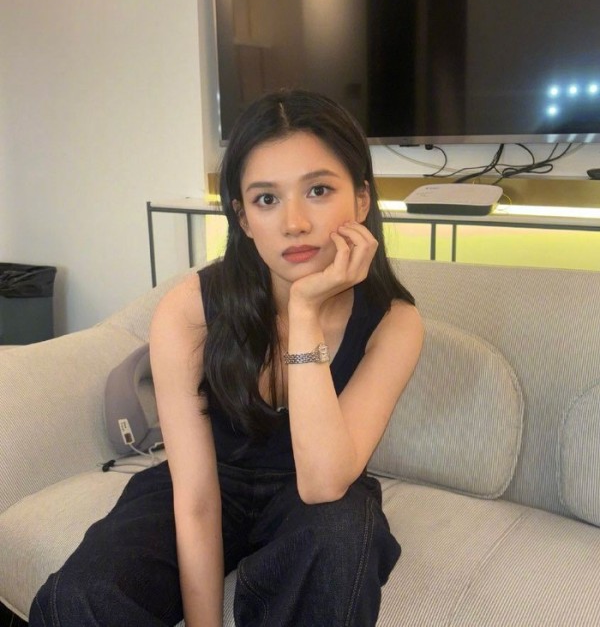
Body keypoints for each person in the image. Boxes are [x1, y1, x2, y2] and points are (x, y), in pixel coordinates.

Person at [30, 90, 423, 627]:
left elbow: (323, 483)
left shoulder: (394, 323)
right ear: (243, 217)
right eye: (266, 199)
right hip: (206, 480)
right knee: (84, 596)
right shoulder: (189, 310)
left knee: (341, 535)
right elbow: (195, 498)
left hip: (310, 501)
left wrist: (305, 312)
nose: (294, 222)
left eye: (318, 190)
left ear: (360, 201)